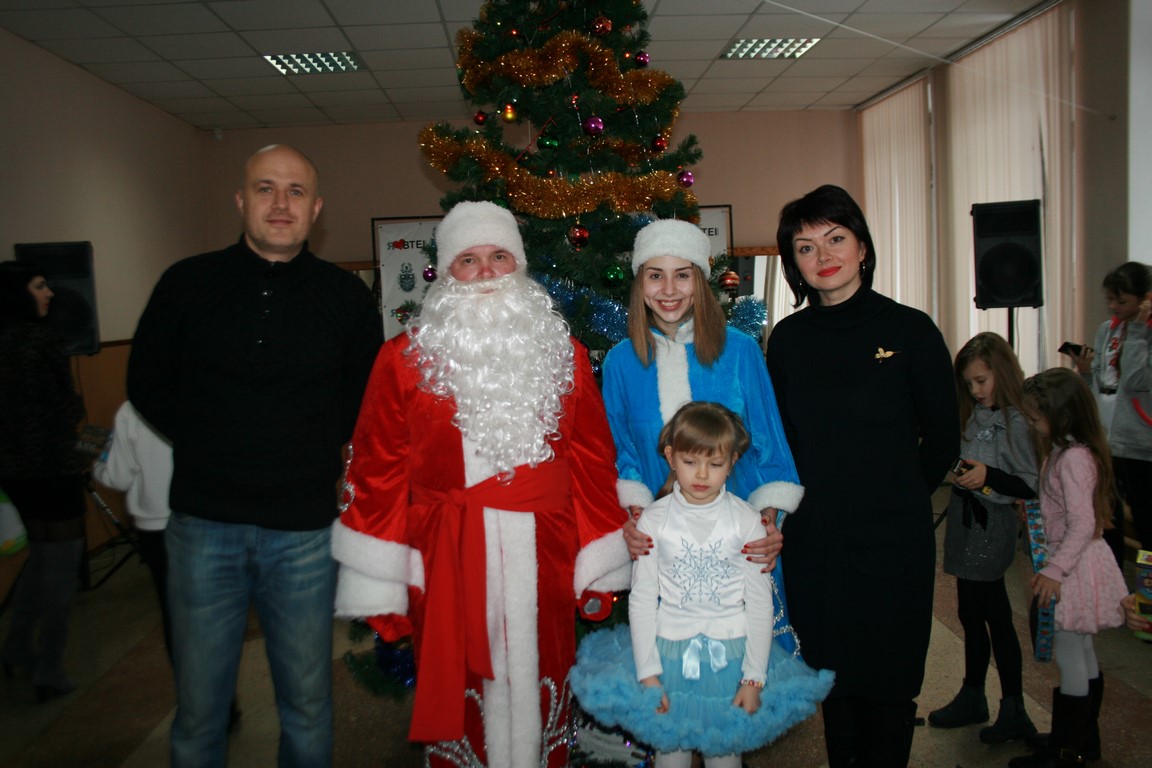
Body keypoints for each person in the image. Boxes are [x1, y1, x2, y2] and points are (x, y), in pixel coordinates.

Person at [331, 200, 632, 768]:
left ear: (519, 265)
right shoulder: (402, 360)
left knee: (545, 670)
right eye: (469, 260)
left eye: (500, 256)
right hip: (444, 554)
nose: (487, 271)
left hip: (546, 554)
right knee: (462, 679)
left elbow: (593, 459)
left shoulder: (563, 355)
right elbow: (377, 472)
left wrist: (598, 559)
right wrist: (382, 581)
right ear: (447, 273)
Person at [126, 144, 383, 767]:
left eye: (296, 191)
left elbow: (362, 397)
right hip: (202, 526)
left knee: (308, 705)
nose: (280, 203)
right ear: (242, 200)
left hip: (303, 533)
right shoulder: (186, 284)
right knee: (200, 710)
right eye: (266, 188)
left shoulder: (345, 297)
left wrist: (304, 446)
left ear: (315, 209)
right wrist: (211, 440)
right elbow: (146, 382)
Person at [764, 184, 958, 767]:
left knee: (889, 684)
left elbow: (942, 439)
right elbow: (782, 443)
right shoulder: (788, 339)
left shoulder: (910, 330)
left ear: (863, 247)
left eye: (836, 238)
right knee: (834, 684)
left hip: (892, 542)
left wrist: (896, 499)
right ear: (793, 262)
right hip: (815, 544)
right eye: (805, 247)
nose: (823, 255)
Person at [571, 402, 833, 768]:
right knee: (671, 756)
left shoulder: (746, 521)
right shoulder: (653, 521)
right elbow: (642, 600)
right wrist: (647, 674)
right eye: (691, 461)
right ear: (670, 457)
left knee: (724, 756)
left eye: (715, 463)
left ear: (732, 462)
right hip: (666, 656)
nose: (702, 474)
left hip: (733, 660)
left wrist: (753, 679)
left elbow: (760, 605)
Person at [606, 218, 800, 647]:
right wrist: (635, 515)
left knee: (743, 657)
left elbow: (769, 441)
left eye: (682, 275)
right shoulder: (621, 361)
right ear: (640, 283)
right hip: (663, 541)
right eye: (655, 275)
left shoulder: (741, 350)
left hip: (739, 532)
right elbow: (622, 451)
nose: (668, 290)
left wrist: (768, 517)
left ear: (700, 281)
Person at [91, 401, 241, 730]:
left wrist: (98, 464)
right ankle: (226, 702)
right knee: (217, 613)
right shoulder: (208, 397)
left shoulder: (133, 410)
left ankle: (202, 705)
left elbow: (117, 476)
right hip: (209, 518)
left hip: (157, 527)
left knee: (177, 618)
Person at [1008, 368, 1128, 768]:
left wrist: (1054, 570)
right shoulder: (1067, 450)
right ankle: (1082, 740)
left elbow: (1081, 523)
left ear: (1060, 415)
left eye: (1035, 417)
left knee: (1070, 654)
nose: (1031, 424)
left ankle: (1066, 751)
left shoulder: (1073, 458)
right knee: (1082, 649)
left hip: (1071, 568)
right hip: (1077, 561)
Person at [928, 333, 1038, 743]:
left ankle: (1014, 707)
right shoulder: (974, 414)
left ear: (1002, 373)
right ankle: (974, 694)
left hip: (991, 526)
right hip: (965, 520)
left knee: (995, 615)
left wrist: (988, 476)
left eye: (981, 381)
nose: (975, 391)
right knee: (970, 613)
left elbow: (1029, 483)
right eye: (969, 383)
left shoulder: (1017, 421)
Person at [0, 261, 87, 702]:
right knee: (62, 568)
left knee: (37, 559)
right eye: (40, 286)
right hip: (53, 470)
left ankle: (16, 645)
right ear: (20, 294)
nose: (50, 293)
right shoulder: (44, 340)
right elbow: (67, 409)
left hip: (13, 474)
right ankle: (50, 668)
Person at [1066, 261, 1152, 557]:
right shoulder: (1107, 330)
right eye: (1110, 299)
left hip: (1141, 447)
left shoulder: (1144, 333)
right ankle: (1111, 580)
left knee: (1146, 524)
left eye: (1122, 301)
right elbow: (1102, 386)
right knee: (1107, 522)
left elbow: (1137, 380)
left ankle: (1146, 585)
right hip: (1105, 444)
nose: (1113, 306)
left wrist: (1138, 331)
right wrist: (1085, 372)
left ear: (1145, 299)